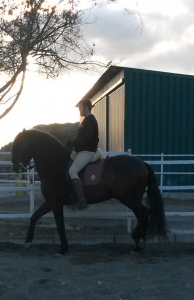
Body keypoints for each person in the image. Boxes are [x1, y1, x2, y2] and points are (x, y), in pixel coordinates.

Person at [66, 99, 99, 210]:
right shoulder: (86, 120)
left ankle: (82, 201)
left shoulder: (90, 121)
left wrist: (74, 142)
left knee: (72, 171)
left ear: (85, 107)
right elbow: (81, 137)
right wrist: (72, 143)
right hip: (82, 150)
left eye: (80, 107)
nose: (79, 110)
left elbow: (87, 138)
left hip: (87, 151)